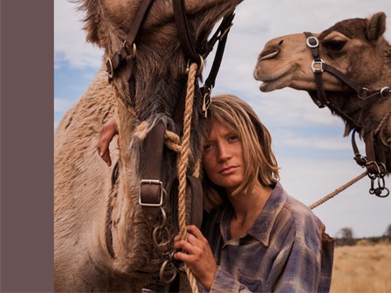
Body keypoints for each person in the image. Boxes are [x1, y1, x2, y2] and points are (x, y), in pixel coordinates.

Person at [97, 94, 333, 293]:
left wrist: (212, 277)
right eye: (208, 146)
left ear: (257, 140)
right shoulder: (212, 220)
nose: (223, 154)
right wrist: (128, 126)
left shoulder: (296, 224)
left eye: (233, 138)